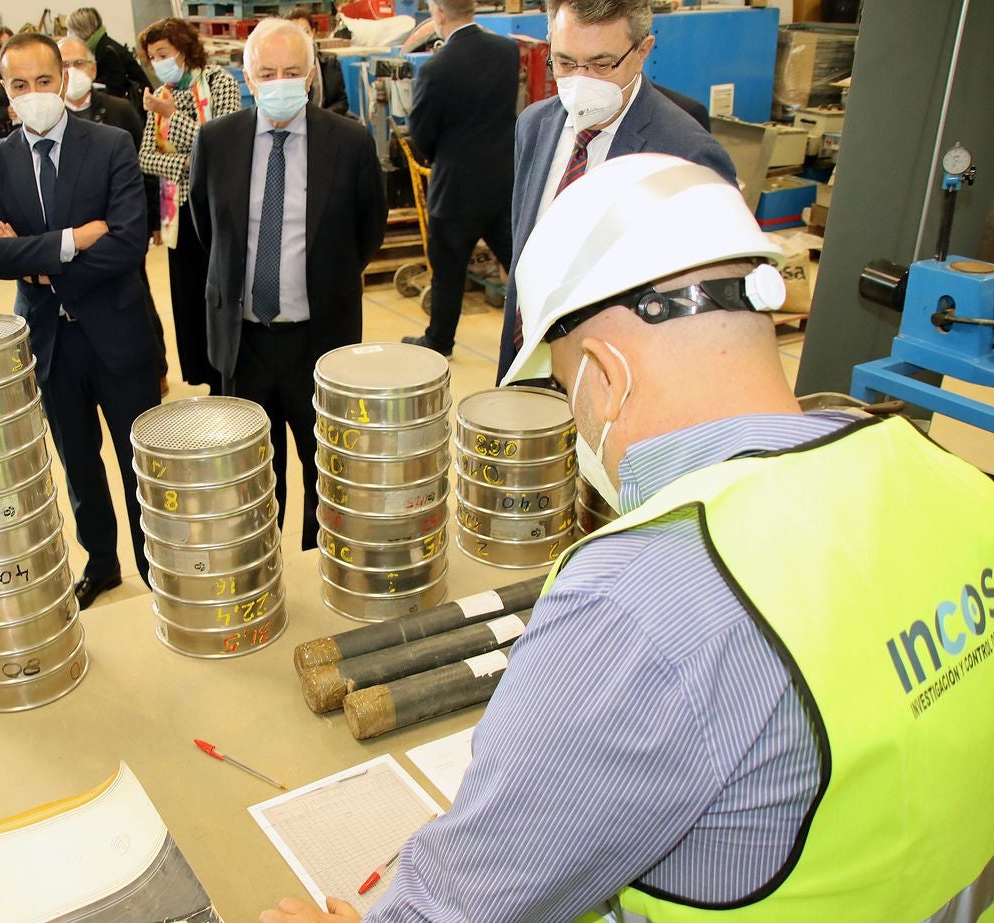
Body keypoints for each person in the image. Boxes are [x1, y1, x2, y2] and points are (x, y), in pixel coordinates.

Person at [262, 153, 994, 923]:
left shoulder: (638, 599)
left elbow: (461, 907)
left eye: (565, 385)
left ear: (604, 377)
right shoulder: (947, 477)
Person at [0, 33, 160, 608]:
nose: (34, 94)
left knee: (140, 462)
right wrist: (73, 242)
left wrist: (39, 262)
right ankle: (101, 563)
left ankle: (156, 567)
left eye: (44, 81)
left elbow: (129, 242)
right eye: (20, 85)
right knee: (78, 463)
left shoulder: (110, 146)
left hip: (118, 332)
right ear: (6, 93)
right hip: (49, 340)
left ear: (66, 79)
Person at [190, 18, 385, 552]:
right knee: (251, 476)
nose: (280, 81)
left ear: (310, 77)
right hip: (244, 341)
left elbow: (367, 233)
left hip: (320, 341)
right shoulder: (216, 141)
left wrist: (324, 278)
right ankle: (263, 565)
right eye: (267, 72)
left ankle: (318, 562)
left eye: (292, 71)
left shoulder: (348, 143)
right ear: (248, 78)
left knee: (327, 469)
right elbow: (209, 232)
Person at [495, 0, 737, 383]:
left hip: (622, 380)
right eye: (565, 62)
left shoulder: (687, 153)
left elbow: (705, 312)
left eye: (602, 64)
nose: (581, 80)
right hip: (530, 363)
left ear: (643, 51)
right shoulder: (534, 126)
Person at [399, 0, 518, 359]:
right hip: (502, 183)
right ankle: (546, 333)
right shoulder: (507, 52)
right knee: (522, 268)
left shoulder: (436, 68)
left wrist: (443, 158)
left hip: (455, 190)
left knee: (448, 273)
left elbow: (421, 134)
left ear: (437, 15)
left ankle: (439, 341)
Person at [59, 34, 170, 396]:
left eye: (78, 64)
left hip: (120, 229)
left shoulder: (119, 111)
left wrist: (153, 221)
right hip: (71, 236)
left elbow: (145, 170)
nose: (72, 72)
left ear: (93, 68)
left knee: (138, 296)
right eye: (63, 66)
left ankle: (157, 366)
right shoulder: (50, 118)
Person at [138, 18, 241, 395]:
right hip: (177, 213)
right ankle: (205, 374)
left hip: (217, 208)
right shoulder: (161, 91)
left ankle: (230, 369)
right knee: (189, 298)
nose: (159, 62)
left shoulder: (218, 83)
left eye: (163, 53)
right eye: (152, 57)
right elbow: (145, 157)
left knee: (221, 293)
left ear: (184, 49)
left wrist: (170, 116)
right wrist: (186, 164)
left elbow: (224, 143)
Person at [68, 7, 151, 106]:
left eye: (71, 31)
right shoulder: (101, 45)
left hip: (139, 105)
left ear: (82, 30)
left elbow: (115, 89)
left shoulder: (106, 51)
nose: (69, 35)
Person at [285, 9, 349, 115]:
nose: (303, 38)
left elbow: (342, 102)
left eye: (306, 32)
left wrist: (321, 118)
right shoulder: (282, 71)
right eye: (296, 34)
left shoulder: (331, 63)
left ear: (313, 33)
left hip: (326, 122)